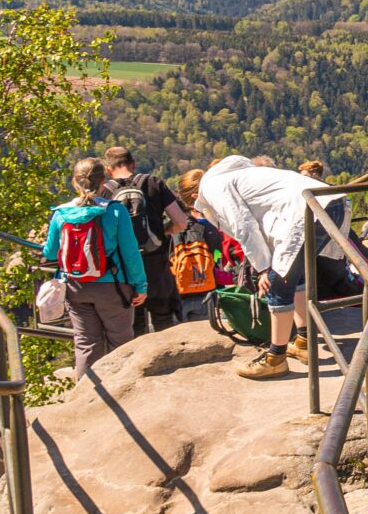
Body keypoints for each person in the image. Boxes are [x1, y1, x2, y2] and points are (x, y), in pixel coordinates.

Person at [193, 155, 368, 379]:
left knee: (277, 284)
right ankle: (303, 341)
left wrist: (263, 269)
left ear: (195, 197)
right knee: (295, 276)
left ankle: (275, 359)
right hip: (331, 201)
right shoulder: (239, 174)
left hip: (308, 210)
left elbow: (243, 225)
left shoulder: (213, 187)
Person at [41, 157, 148, 379]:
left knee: (86, 342)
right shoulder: (114, 211)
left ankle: (87, 396)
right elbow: (130, 253)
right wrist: (140, 285)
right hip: (114, 286)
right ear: (103, 181)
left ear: (75, 182)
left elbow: (50, 253)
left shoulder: (61, 213)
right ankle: (124, 390)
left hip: (75, 286)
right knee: (120, 341)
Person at [103, 146, 189, 333]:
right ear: (132, 163)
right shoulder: (153, 183)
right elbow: (181, 222)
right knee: (164, 321)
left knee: (134, 325)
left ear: (108, 169)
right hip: (157, 265)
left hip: (123, 270)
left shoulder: (104, 192)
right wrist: (164, 231)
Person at [169, 168, 245, 324]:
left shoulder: (171, 229)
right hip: (207, 291)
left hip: (177, 293)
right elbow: (218, 256)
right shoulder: (213, 228)